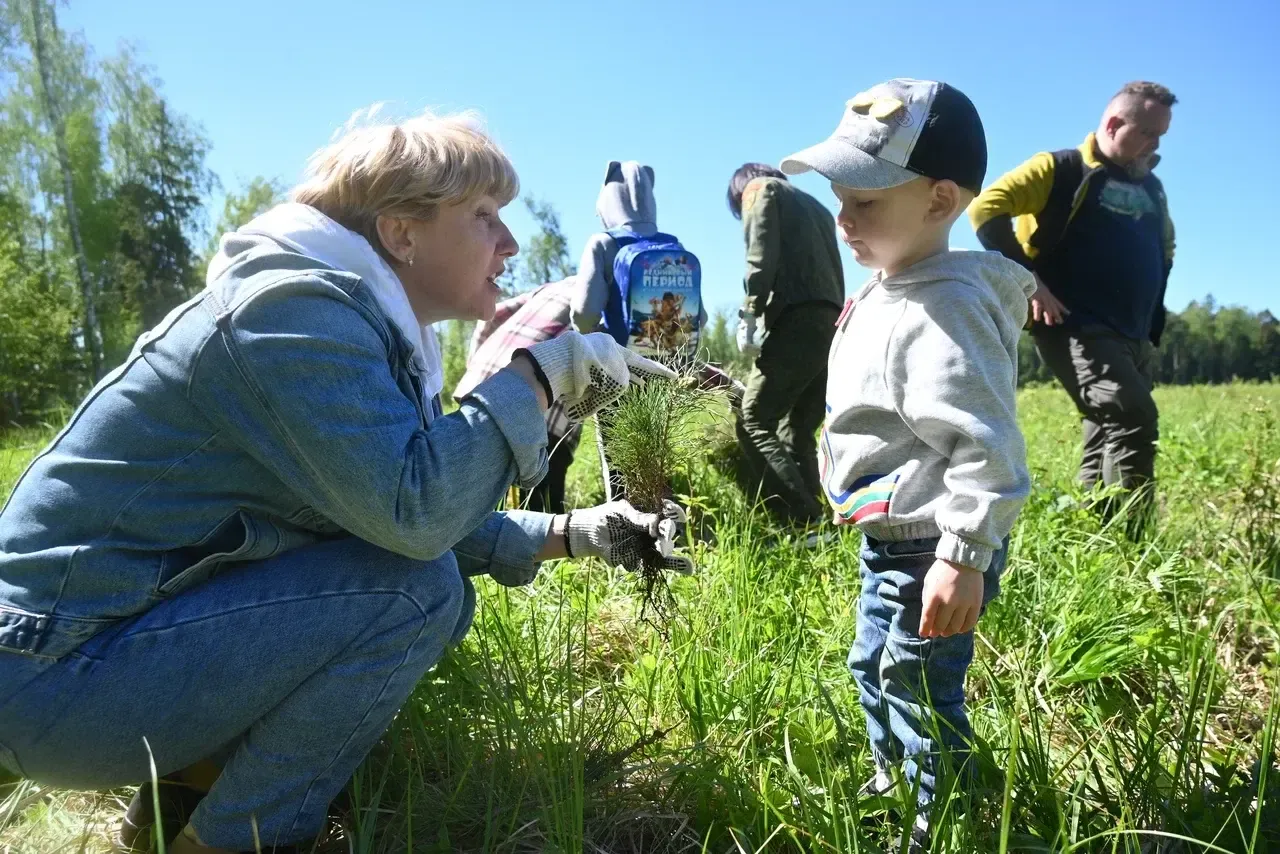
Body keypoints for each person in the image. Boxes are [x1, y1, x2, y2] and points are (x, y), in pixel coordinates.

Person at [0, 109, 692, 854]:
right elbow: (415, 514)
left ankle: (184, 801)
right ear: (401, 233)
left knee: (414, 580)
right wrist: (535, 375)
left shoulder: (358, 325)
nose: (510, 243)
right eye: (484, 216)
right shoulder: (291, 316)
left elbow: (385, 508)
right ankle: (238, 840)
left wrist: (580, 532)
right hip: (51, 672)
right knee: (414, 591)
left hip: (81, 657)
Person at [779, 78, 1033, 849]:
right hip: (888, 538)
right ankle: (893, 775)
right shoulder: (892, 287)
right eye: (839, 198)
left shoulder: (945, 307)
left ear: (939, 199)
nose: (844, 219)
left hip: (934, 545)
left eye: (866, 201)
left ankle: (946, 815)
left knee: (917, 682)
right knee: (871, 665)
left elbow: (987, 445)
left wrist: (964, 555)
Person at [970, 81, 1177, 528]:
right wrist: (1031, 282)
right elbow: (986, 210)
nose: (1154, 145)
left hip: (1134, 332)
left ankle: (1096, 529)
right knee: (1133, 416)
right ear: (1113, 123)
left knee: (1106, 426)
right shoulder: (1061, 168)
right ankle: (1134, 541)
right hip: (1076, 324)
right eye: (1147, 133)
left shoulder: (1151, 187)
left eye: (1160, 137)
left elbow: (1166, 248)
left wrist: (1153, 320)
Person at [726, 163, 845, 527]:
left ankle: (801, 519)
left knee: (754, 417)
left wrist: (750, 313)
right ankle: (822, 520)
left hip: (797, 319)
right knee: (797, 429)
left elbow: (759, 257)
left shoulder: (761, 190)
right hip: (834, 324)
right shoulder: (818, 208)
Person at [455, 277, 581, 514]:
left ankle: (502, 525)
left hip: (491, 377)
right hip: (545, 380)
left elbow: (492, 315)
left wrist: (476, 367)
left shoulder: (552, 288)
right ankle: (548, 536)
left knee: (503, 469)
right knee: (551, 462)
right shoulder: (610, 287)